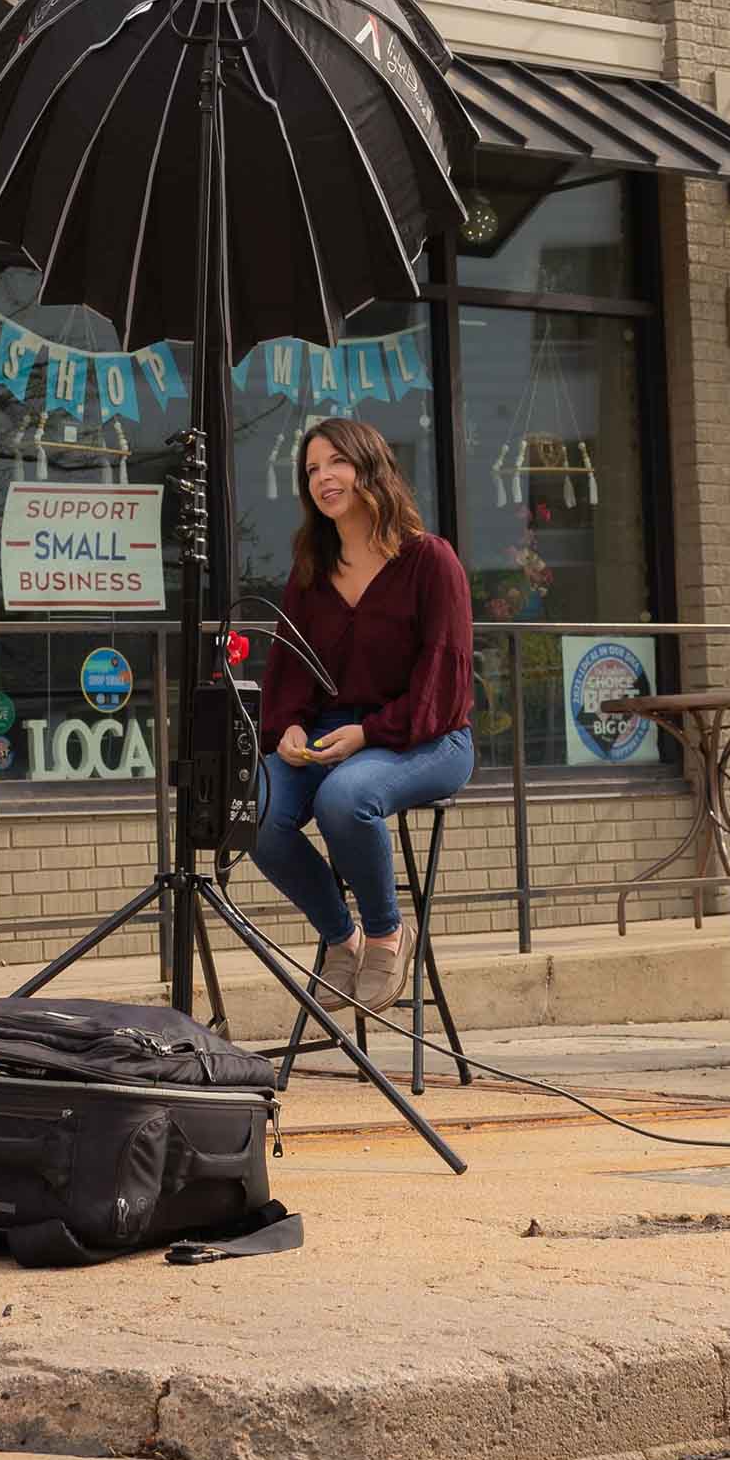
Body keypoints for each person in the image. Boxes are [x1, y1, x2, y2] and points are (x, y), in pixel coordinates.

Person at [251, 418, 475, 1015]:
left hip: (429, 735)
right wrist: (290, 728)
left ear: (368, 466)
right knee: (257, 814)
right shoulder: (310, 570)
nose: (323, 478)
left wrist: (369, 733)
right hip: (334, 732)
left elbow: (444, 686)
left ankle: (385, 935)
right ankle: (340, 938)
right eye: (311, 470)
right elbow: (289, 672)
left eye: (335, 463)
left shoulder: (431, 561)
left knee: (345, 799)